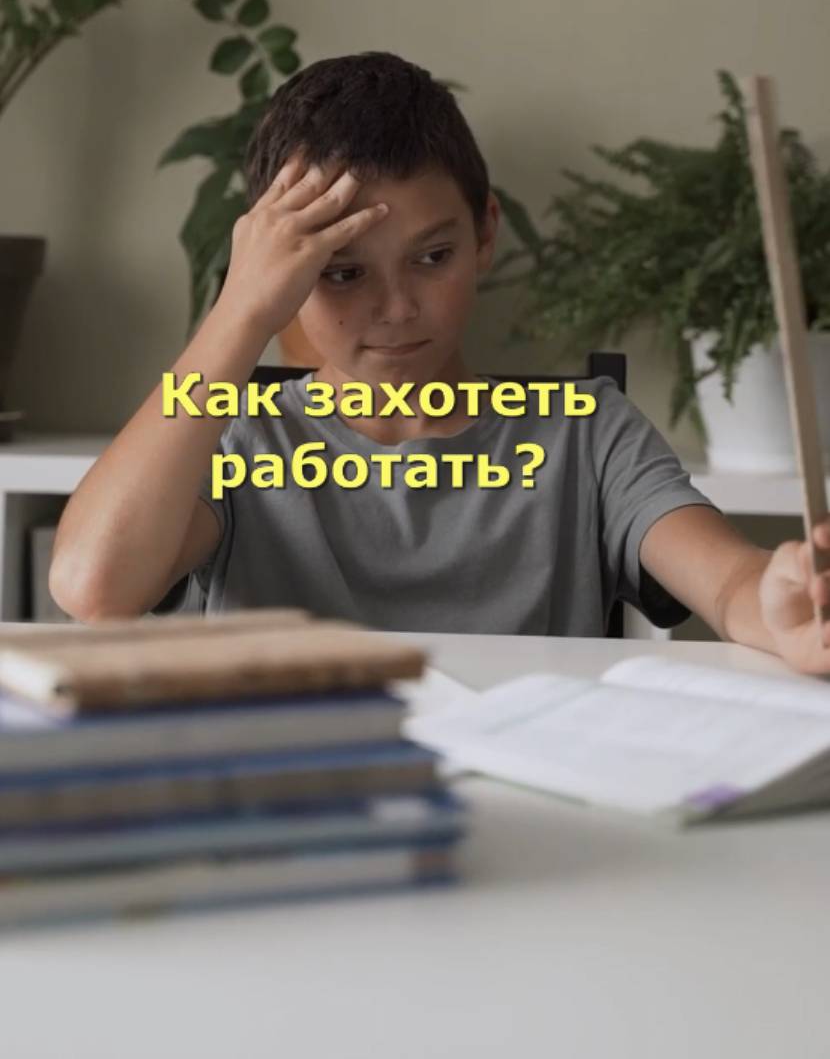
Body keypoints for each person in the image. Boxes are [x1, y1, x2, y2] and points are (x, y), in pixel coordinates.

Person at [50, 52, 830, 674]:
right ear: (279, 274)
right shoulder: (233, 439)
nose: (397, 308)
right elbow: (93, 587)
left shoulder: (588, 434)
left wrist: (777, 601)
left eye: (432, 257)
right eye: (342, 272)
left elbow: (731, 583)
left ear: (485, 233)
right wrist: (238, 310)